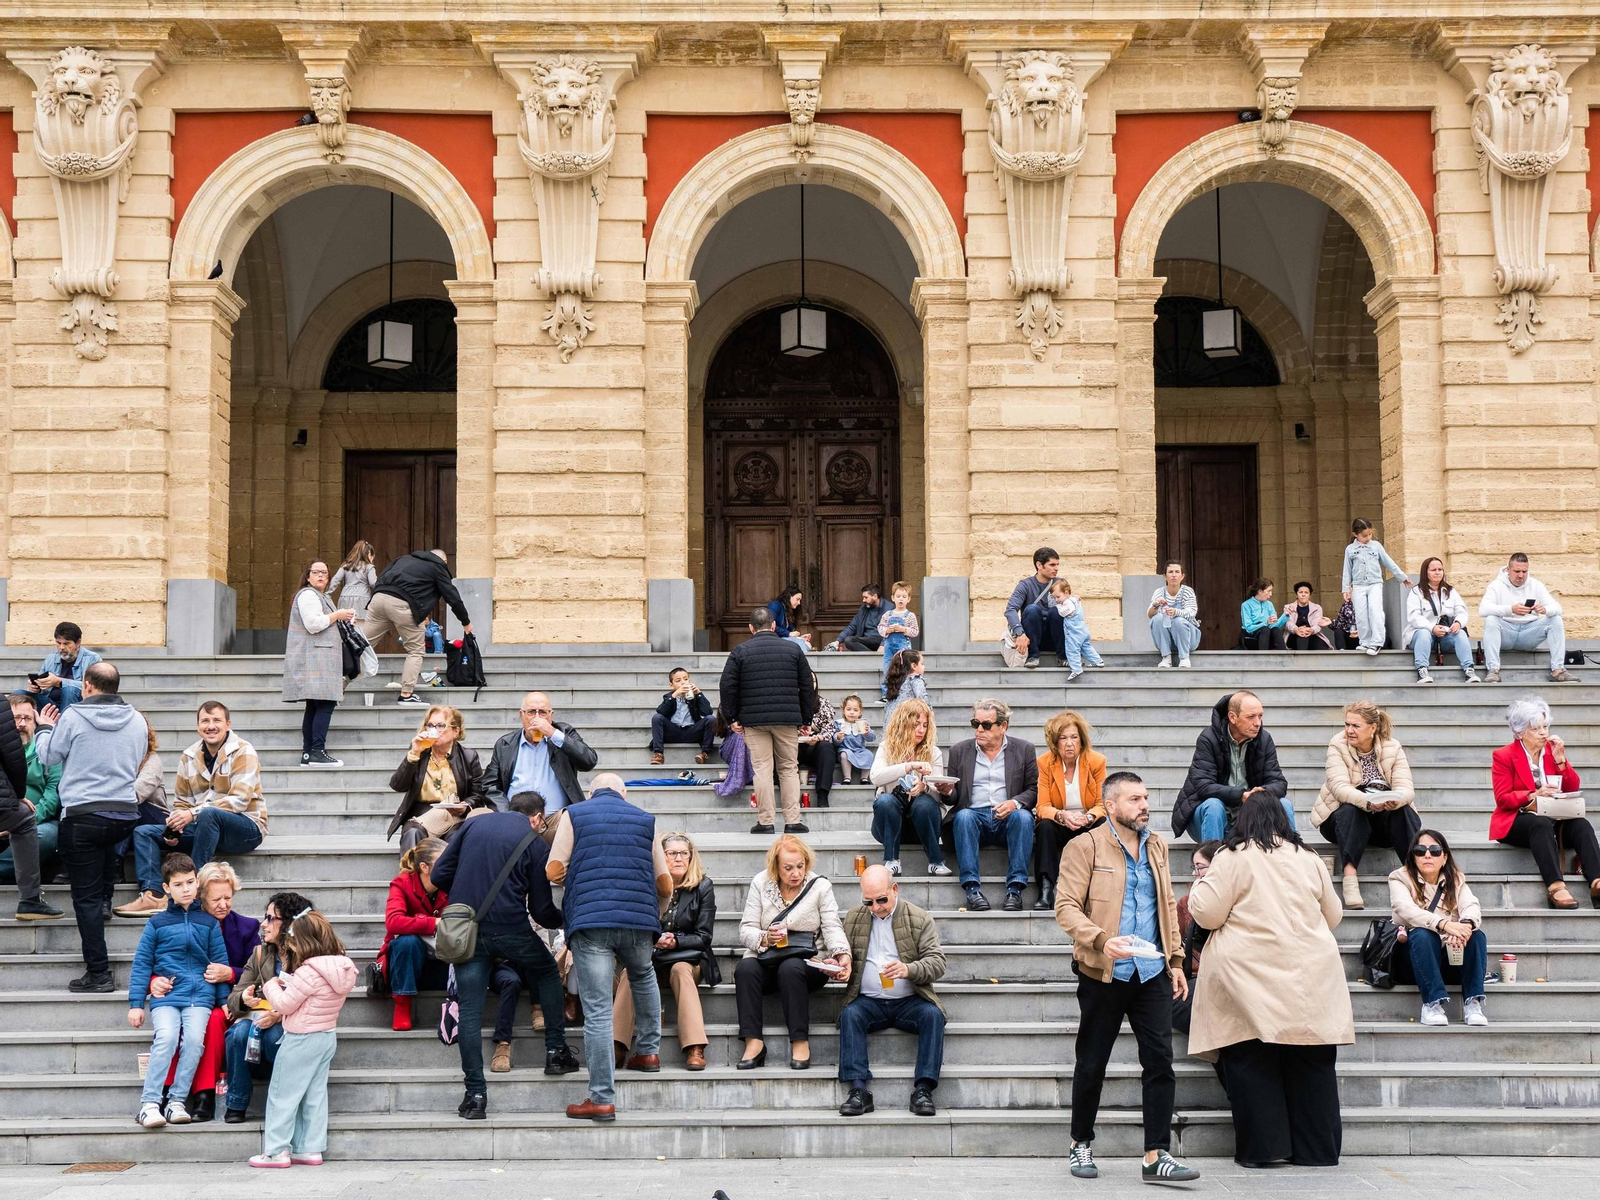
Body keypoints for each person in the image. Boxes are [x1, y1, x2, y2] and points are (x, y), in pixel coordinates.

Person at [1187, 793, 1353, 1169]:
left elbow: (1209, 915)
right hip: (1310, 974)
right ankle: (1317, 1151)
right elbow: (1334, 915)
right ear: (1283, 819)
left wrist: (1197, 885)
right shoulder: (1308, 857)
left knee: (1252, 1059)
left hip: (1249, 974)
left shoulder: (1231, 857)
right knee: (1312, 1062)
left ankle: (1265, 1149)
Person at [1054, 771, 1200, 1184]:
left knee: (1160, 1061)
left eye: (1145, 797)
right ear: (1112, 806)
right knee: (1093, 1062)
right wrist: (1101, 940)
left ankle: (1156, 1154)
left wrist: (1175, 961)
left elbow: (1167, 905)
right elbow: (1065, 907)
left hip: (1151, 970)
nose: (1144, 805)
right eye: (1134, 799)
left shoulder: (1157, 844)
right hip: (1103, 971)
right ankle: (1080, 1141)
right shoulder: (1084, 846)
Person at [430, 791, 578, 1119]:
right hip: (512, 931)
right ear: (537, 818)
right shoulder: (536, 845)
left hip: (467, 932)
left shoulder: (472, 826)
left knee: (469, 1010)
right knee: (547, 972)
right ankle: (555, 1052)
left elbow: (438, 876)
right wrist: (565, 918)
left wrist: (470, 884)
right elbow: (541, 912)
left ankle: (476, 1095)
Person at [545, 773, 672, 1122]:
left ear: (591, 792)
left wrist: (577, 877)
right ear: (624, 793)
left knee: (599, 1009)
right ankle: (648, 1052)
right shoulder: (645, 820)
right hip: (638, 920)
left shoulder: (576, 813)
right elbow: (665, 882)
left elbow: (554, 868)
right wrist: (654, 917)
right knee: (643, 974)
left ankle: (601, 1097)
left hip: (592, 921)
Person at [34, 662, 151, 992]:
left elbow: (48, 757)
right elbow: (140, 756)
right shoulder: (137, 719)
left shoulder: (72, 716)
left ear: (87, 686)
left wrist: (43, 727)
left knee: (84, 900)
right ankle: (105, 893)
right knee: (99, 884)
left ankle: (99, 973)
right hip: (123, 816)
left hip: (83, 816)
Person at [120, 702, 266, 917]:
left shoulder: (243, 751)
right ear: (198, 726)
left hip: (245, 828)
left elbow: (239, 800)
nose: (211, 726)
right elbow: (181, 803)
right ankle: (153, 895)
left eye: (216, 720)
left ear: (228, 724)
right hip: (204, 827)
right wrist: (176, 827)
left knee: (208, 814)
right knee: (144, 832)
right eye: (205, 721)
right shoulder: (188, 756)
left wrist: (192, 814)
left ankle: (194, 892)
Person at [127, 853, 230, 1128]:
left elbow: (219, 962)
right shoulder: (157, 924)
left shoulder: (208, 923)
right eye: (178, 884)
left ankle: (176, 1101)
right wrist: (136, 1003)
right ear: (166, 889)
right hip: (167, 997)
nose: (185, 889)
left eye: (189, 882)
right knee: (167, 1038)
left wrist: (223, 1000)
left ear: (197, 882)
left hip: (200, 997)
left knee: (195, 1042)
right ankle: (149, 1104)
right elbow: (142, 964)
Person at [248, 912, 357, 1169]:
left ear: (306, 941)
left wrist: (272, 985)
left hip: (301, 1037)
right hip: (326, 1036)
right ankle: (310, 1148)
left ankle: (275, 1151)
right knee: (314, 1095)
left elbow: (285, 1005)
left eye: (294, 939)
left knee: (281, 1094)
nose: (291, 944)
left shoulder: (309, 971)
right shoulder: (342, 967)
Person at [836, 864, 947, 1118]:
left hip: (910, 999)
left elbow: (938, 962)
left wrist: (909, 969)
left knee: (933, 1016)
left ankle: (923, 1089)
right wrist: (839, 964)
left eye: (881, 900)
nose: (876, 907)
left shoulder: (918, 917)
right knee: (850, 1015)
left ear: (895, 889)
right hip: (869, 1001)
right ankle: (858, 1090)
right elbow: (841, 952)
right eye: (869, 902)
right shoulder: (854, 917)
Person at [735, 834, 850, 1070]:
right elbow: (746, 928)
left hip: (806, 963)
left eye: (800, 866)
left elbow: (832, 925)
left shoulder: (820, 886)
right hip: (768, 958)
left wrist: (841, 954)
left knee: (791, 967)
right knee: (745, 968)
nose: (795, 873)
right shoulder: (761, 883)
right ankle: (753, 1042)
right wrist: (765, 937)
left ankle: (800, 1041)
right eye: (788, 868)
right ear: (776, 866)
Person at [159, 861, 259, 1122]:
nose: (223, 905)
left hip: (230, 1001)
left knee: (213, 1020)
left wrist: (231, 973)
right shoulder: (181, 923)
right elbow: (158, 958)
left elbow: (261, 971)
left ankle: (204, 1095)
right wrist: (153, 982)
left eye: (228, 898)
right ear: (201, 896)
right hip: (186, 996)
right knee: (179, 1020)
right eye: (216, 899)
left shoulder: (248, 927)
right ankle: (166, 1090)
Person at [611, 831, 718, 1071]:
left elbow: (704, 937)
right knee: (630, 972)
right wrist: (655, 939)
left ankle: (694, 1047)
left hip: (687, 959)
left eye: (684, 854)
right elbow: (634, 926)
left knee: (680, 971)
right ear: (661, 857)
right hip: (651, 956)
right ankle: (617, 1046)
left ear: (691, 858)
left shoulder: (703, 886)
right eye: (672, 854)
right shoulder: (647, 885)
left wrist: (675, 942)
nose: (679, 858)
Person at [1311, 700, 1419, 911]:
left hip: (1382, 820)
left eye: (1355, 726)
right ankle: (1350, 876)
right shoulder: (1337, 744)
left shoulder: (1392, 746)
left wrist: (1394, 801)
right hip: (1341, 819)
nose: (1349, 731)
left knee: (1405, 811)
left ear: (1373, 728)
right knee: (1352, 808)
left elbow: (1407, 788)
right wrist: (1367, 802)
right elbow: (1339, 787)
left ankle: (1415, 875)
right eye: (1347, 724)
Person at [718, 607, 818, 836]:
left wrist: (732, 718)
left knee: (762, 769)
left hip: (754, 720)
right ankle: (793, 820)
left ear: (751, 628)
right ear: (773, 626)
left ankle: (765, 822)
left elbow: (727, 686)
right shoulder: (793, 649)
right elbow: (806, 685)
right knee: (789, 769)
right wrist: (806, 718)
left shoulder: (740, 651)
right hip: (787, 719)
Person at [1491, 695, 1596, 909]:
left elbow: (1573, 787)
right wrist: (1533, 794)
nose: (1543, 733)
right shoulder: (1503, 756)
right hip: (1518, 819)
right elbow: (1503, 799)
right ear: (1520, 732)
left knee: (1582, 825)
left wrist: (1561, 761)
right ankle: (1556, 887)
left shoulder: (1551, 751)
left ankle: (1597, 881)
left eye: (1545, 726)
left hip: (1554, 815)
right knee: (1538, 824)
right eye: (1536, 729)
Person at [222, 890, 315, 1122]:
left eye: (270, 918)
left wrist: (278, 1014)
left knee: (275, 1031)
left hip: (289, 1039)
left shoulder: (309, 958)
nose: (263, 924)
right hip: (253, 1044)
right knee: (239, 1031)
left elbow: (313, 1004)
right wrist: (244, 998)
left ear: (290, 923)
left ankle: (286, 1103)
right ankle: (236, 1103)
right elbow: (233, 1000)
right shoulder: (261, 954)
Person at [944, 699, 1038, 912]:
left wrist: (1015, 803)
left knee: (1024, 817)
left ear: (1003, 726)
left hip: (1008, 818)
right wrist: (947, 791)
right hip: (973, 816)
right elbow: (953, 799)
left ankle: (1015, 890)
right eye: (975, 723)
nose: (979, 730)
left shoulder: (1024, 749)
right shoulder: (959, 751)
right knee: (964, 816)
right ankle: (971, 889)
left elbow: (1033, 790)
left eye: (986, 725)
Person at [1390, 829, 1487, 1027]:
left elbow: (1471, 905)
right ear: (1413, 856)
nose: (1427, 855)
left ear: (1444, 857)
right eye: (1420, 850)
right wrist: (1444, 925)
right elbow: (1404, 908)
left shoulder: (1456, 879)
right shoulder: (1399, 878)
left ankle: (1473, 1003)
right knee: (1423, 934)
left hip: (1449, 957)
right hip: (1412, 959)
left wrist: (1465, 927)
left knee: (1477, 936)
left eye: (1435, 850)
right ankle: (1432, 1004)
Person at [1170, 691, 1293, 843]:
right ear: (1232, 717)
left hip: (1248, 819)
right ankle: (1211, 862)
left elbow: (1279, 782)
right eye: (1251, 717)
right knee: (1214, 805)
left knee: (1284, 805)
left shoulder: (1264, 739)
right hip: (1208, 819)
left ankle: (1291, 860)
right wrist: (1241, 795)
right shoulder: (1209, 738)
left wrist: (1260, 794)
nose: (1258, 723)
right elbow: (1203, 786)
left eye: (1260, 716)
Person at [363, 549, 474, 706]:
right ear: (444, 561)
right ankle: (406, 694)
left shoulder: (403, 558)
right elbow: (452, 597)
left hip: (378, 599)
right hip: (404, 604)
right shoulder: (437, 566)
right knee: (415, 650)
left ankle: (339, 683)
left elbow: (381, 577)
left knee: (361, 645)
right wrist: (465, 622)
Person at [481, 691, 597, 827]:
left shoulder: (564, 734)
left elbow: (589, 761)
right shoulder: (505, 744)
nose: (537, 718)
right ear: (521, 715)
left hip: (556, 820)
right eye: (531, 712)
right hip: (515, 819)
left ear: (551, 715)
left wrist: (553, 734)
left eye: (542, 712)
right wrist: (506, 814)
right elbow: (490, 785)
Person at [387, 704, 489, 852]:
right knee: (413, 833)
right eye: (430, 725)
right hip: (422, 813)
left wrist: (464, 806)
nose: (434, 731)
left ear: (455, 731)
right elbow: (397, 785)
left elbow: (478, 794)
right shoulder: (419, 752)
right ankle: (410, 875)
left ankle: (448, 876)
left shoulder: (468, 757)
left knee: (457, 838)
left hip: (454, 815)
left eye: (441, 726)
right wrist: (413, 755)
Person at [1031, 710, 1106, 911]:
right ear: (1055, 742)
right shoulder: (1045, 762)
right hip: (1060, 821)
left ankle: (1096, 890)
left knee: (1102, 824)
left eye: (1074, 737)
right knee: (1044, 826)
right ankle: (1046, 888)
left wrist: (1088, 816)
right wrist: (1062, 815)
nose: (1069, 743)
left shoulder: (1097, 761)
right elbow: (1042, 806)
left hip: (1086, 821)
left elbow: (1103, 804)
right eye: (1063, 738)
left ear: (1082, 740)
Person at [869, 699, 953, 877]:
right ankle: (891, 861)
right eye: (916, 724)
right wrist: (910, 766)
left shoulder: (933, 752)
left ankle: (936, 862)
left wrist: (924, 787)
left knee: (924, 803)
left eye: (924, 725)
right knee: (885, 800)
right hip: (887, 826)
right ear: (903, 723)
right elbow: (875, 777)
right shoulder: (887, 748)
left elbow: (938, 796)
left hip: (922, 826)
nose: (921, 730)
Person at [376, 837, 452, 1031]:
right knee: (406, 942)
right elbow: (393, 922)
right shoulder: (402, 883)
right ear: (425, 867)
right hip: (407, 964)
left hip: (443, 959)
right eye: (443, 862)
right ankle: (402, 1005)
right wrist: (432, 922)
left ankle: (458, 1008)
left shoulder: (453, 884)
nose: (450, 865)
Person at [282, 560, 352, 766]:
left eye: (325, 572)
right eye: (316, 572)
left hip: (319, 657)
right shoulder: (309, 595)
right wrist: (338, 615)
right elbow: (313, 624)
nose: (321, 576)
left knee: (314, 706)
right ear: (308, 576)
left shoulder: (319, 596)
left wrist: (342, 619)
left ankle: (308, 753)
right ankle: (317, 751)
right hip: (316, 658)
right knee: (325, 703)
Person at [0, 697, 62, 921]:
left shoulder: (46, 752)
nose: (21, 724)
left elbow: (53, 794)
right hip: (7, 816)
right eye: (16, 718)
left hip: (39, 821)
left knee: (43, 835)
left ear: (36, 723)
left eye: (27, 718)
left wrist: (25, 818)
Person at [1479, 552, 1575, 683]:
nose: (1521, 575)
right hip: (1506, 633)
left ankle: (1558, 670)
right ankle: (1493, 670)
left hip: (1529, 633)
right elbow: (1483, 609)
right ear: (1508, 570)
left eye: (1524, 571)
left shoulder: (1536, 585)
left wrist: (1545, 609)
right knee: (1491, 619)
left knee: (1555, 619)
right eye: (1517, 571)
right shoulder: (1496, 585)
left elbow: (1558, 607)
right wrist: (1510, 609)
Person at [1170, 840, 1221, 1036]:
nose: (1194, 873)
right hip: (1195, 979)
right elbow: (1173, 941)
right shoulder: (1186, 903)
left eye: (1199, 867)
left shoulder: (1240, 900)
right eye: (1194, 867)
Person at [1341, 517, 1411, 655]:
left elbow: (1388, 562)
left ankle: (1377, 642)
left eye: (1369, 534)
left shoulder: (1376, 546)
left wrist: (1402, 576)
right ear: (1355, 534)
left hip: (1374, 583)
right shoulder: (1350, 549)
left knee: (1376, 611)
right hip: (1358, 585)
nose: (1367, 538)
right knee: (1361, 615)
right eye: (1364, 535)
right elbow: (1346, 570)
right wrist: (1345, 588)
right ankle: (1365, 641)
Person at [1405, 557, 1479, 684]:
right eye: (1433, 570)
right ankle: (1422, 671)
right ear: (1426, 573)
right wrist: (1431, 628)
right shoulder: (1416, 592)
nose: (1438, 572)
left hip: (1445, 634)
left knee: (1460, 632)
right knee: (1424, 633)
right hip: (1422, 635)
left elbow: (1461, 611)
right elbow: (1414, 616)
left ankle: (1469, 670)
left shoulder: (1450, 591)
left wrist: (1458, 623)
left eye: (1440, 569)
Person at [1006, 546, 1063, 669]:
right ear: (1039, 565)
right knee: (1032, 609)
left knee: (1056, 611)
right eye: (1052, 565)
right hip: (1031, 639)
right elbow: (1010, 610)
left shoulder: (1060, 584)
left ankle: (1063, 657)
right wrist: (1020, 634)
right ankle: (1033, 656)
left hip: (1055, 637)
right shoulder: (1025, 585)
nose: (1056, 568)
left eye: (1057, 565)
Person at [26, 621, 102, 713]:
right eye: (58, 643)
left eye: (66, 644)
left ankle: (65, 725)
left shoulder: (92, 659)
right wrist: (36, 687)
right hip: (50, 704)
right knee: (20, 694)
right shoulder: (51, 658)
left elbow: (95, 689)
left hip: (79, 707)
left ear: (78, 643)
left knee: (70, 690)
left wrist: (59, 682)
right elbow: (42, 689)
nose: (61, 647)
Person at [1036, 578, 1104, 680]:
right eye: (1054, 598)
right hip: (1082, 630)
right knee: (1086, 647)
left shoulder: (1068, 603)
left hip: (1074, 632)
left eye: (1058, 597)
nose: (1056, 600)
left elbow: (1066, 612)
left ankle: (1076, 669)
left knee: (1072, 650)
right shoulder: (1075, 600)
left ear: (1066, 593)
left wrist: (1058, 607)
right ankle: (1098, 661)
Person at [650, 666, 715, 766]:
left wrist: (699, 694)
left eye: (685, 679)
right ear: (671, 685)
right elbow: (661, 712)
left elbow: (707, 712)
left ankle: (704, 753)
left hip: (692, 731)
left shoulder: (695, 696)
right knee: (656, 718)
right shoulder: (669, 697)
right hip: (673, 732)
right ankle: (658, 754)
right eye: (678, 680)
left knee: (711, 719)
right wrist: (674, 695)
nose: (683, 682)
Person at [797, 674, 839, 807]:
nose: (810, 684)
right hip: (793, 745)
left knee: (826, 747)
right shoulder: (789, 703)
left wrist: (819, 737)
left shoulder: (823, 704)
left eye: (813, 681)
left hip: (814, 745)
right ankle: (788, 796)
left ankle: (822, 794)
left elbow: (830, 728)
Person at [1148, 561, 1200, 668]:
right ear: (1165, 576)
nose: (1174, 575)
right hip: (1167, 640)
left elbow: (1191, 613)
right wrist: (1156, 605)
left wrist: (1176, 612)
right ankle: (1166, 657)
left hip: (1189, 639)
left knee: (1178, 621)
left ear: (1182, 576)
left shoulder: (1188, 592)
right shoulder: (1159, 592)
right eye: (1170, 572)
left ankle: (1184, 658)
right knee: (1157, 618)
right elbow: (1149, 614)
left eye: (1177, 572)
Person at [877, 582, 918, 693]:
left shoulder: (910, 616)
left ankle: (903, 692)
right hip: (889, 647)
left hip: (903, 647)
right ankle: (886, 693)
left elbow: (915, 631)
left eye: (904, 597)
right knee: (887, 669)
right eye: (898, 596)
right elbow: (880, 627)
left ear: (909, 599)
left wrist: (904, 630)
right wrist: (887, 630)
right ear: (892, 598)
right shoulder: (887, 614)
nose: (901, 599)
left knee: (903, 669)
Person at [329, 540, 378, 618]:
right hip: (363, 597)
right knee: (361, 625)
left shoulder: (345, 565)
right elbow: (373, 583)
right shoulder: (369, 567)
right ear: (369, 554)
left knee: (345, 622)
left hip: (345, 596)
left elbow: (335, 580)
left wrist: (327, 594)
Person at [835, 584, 891, 652]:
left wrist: (883, 644)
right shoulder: (863, 609)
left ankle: (871, 658)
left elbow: (891, 632)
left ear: (875, 596)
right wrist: (837, 641)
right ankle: (872, 658)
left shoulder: (889, 609)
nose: (863, 600)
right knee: (849, 640)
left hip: (881, 640)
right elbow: (852, 627)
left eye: (866, 597)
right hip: (865, 640)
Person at [882, 649, 927, 728]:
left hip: (892, 727)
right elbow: (922, 698)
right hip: (907, 725)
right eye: (922, 664)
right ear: (914, 666)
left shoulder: (896, 683)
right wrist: (929, 712)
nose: (924, 666)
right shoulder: (915, 679)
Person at [836, 695, 876, 784]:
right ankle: (847, 777)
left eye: (855, 710)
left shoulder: (863, 723)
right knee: (844, 755)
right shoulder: (839, 724)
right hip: (845, 749)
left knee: (869, 754)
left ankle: (864, 778)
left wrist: (867, 733)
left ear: (860, 711)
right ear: (843, 710)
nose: (852, 712)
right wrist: (838, 737)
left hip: (859, 750)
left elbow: (872, 738)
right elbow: (834, 739)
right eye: (848, 709)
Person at [1239, 578, 1289, 651]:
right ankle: (1263, 657)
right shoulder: (1246, 605)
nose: (1271, 594)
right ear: (1260, 591)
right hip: (1251, 637)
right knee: (1265, 629)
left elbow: (1274, 624)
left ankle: (1284, 656)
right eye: (1269, 591)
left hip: (1266, 636)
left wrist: (1286, 615)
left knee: (1275, 630)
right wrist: (1265, 623)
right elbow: (1248, 628)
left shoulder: (1269, 604)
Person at [1284, 582, 1335, 651]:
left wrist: (1311, 630)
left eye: (1306, 592)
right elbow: (1288, 623)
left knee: (1322, 647)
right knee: (1302, 637)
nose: (1303, 595)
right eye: (1301, 592)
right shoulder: (1288, 607)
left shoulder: (1317, 608)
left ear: (1309, 595)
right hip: (1294, 635)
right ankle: (1302, 660)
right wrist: (1296, 630)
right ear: (1296, 594)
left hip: (1312, 634)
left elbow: (1317, 624)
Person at [767, 584, 811, 650]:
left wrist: (799, 638)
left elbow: (788, 634)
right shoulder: (775, 605)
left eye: (800, 600)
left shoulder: (788, 611)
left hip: (781, 641)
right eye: (797, 599)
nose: (799, 603)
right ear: (789, 596)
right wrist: (789, 634)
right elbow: (768, 625)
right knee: (802, 644)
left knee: (805, 643)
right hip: (773, 641)